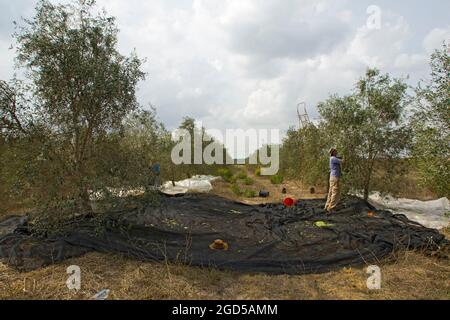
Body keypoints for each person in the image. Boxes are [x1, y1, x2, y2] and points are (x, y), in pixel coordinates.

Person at [324, 148, 343, 213]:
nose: (337, 151)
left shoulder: (332, 158)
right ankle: (331, 208)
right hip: (335, 177)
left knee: (331, 192)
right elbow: (342, 161)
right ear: (333, 152)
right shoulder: (333, 158)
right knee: (335, 192)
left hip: (332, 177)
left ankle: (327, 206)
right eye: (335, 151)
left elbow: (339, 158)